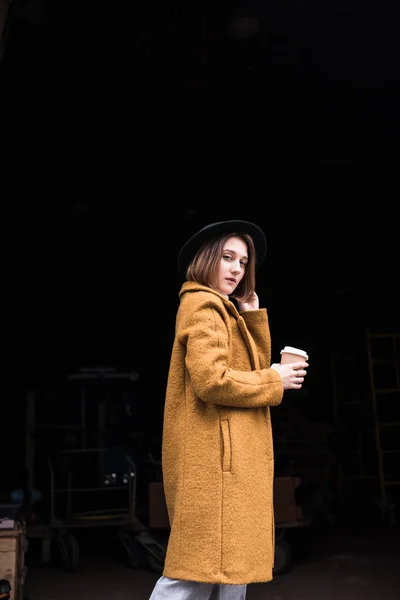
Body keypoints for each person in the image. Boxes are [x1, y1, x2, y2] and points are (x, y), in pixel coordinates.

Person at [149, 220, 308, 600]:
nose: (237, 269)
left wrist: (251, 317)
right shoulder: (204, 307)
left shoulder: (223, 310)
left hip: (230, 466)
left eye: (243, 261)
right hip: (215, 466)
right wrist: (274, 379)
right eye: (227, 257)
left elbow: (242, 369)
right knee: (193, 573)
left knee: (229, 571)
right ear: (206, 260)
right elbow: (213, 380)